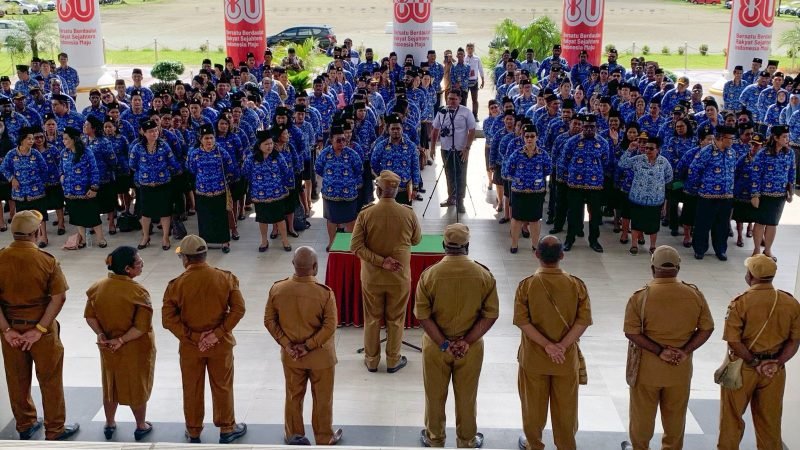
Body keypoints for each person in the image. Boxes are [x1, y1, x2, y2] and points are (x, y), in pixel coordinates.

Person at [620, 246, 714, 450]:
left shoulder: (641, 297)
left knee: (642, 417)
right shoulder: (694, 295)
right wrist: (685, 351)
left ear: (653, 268)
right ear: (678, 268)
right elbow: (707, 328)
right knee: (675, 419)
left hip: (647, 370)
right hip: (679, 369)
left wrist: (660, 351)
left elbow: (631, 332)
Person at [415, 223, 499, 448]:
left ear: (444, 245)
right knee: (467, 396)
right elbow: (491, 314)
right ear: (467, 246)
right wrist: (466, 341)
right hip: (470, 348)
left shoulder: (429, 275)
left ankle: (435, 438)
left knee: (434, 395)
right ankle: (466, 440)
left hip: (436, 346)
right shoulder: (483, 274)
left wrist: (444, 344)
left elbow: (422, 315)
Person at [0, 210, 80, 441]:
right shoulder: (46, 261)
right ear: (35, 233)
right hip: (42, 332)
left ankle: (25, 425)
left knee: (17, 380)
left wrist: (7, 330)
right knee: (50, 380)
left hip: (11, 331)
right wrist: (39, 329)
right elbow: (59, 298)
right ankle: (55, 430)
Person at [162, 235, 247, 444]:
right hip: (220, 345)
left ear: (185, 259)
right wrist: (217, 333)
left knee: (191, 388)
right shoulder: (225, 278)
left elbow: (168, 320)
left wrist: (194, 336)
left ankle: (193, 430)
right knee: (222, 386)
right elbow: (238, 309)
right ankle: (227, 428)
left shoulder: (176, 285)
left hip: (191, 348)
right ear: (205, 255)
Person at [514, 235, 592, 450]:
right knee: (566, 410)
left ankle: (534, 444)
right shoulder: (576, 285)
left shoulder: (527, 285)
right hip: (565, 360)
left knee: (532, 408)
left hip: (534, 359)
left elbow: (522, 321)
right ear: (562, 255)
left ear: (537, 254)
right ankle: (566, 445)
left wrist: (547, 346)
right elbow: (583, 321)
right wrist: (562, 346)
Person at [717, 254, 800, 450]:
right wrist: (777, 363)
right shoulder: (790, 303)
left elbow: (733, 340)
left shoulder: (741, 302)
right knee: (770, 423)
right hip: (773, 371)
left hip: (742, 369)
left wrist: (754, 362)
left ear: (751, 275)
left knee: (731, 419)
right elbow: (795, 340)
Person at [264, 246, 343, 446]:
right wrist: (308, 346)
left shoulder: (278, 289)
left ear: (293, 264)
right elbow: (329, 326)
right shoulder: (324, 294)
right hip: (321, 358)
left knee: (293, 396)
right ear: (315, 266)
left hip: (292, 357)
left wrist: (287, 344)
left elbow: (269, 321)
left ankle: (294, 435)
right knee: (323, 398)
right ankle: (324, 437)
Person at [350, 170, 422, 373]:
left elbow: (356, 247)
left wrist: (381, 262)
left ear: (378, 190)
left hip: (372, 278)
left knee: (372, 319)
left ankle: (372, 360)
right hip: (399, 278)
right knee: (396, 320)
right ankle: (393, 360)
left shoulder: (366, 214)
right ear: (397, 191)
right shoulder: (408, 213)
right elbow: (416, 240)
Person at [84, 246, 155, 441]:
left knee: (110, 384)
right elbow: (141, 327)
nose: (142, 264)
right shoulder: (137, 292)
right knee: (136, 385)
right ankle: (140, 425)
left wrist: (101, 334)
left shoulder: (97, 287)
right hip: (133, 348)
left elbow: (90, 316)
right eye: (138, 262)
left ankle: (109, 423)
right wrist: (121, 340)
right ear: (127, 269)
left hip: (107, 346)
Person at [560, 114, 610, 253]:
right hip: (575, 184)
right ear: (582, 126)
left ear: (596, 127)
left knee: (595, 215)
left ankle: (594, 240)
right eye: (586, 126)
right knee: (573, 213)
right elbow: (564, 160)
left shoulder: (603, 143)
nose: (589, 129)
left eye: (592, 127)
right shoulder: (572, 141)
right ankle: (569, 239)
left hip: (595, 185)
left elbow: (605, 162)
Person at [129, 119, 181, 251]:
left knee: (165, 211)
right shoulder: (137, 147)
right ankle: (146, 236)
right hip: (146, 185)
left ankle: (165, 237)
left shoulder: (164, 145)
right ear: (144, 133)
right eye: (151, 131)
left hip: (163, 184)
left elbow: (172, 162)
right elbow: (132, 165)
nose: (154, 133)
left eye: (156, 130)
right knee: (146, 213)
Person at [688, 125, 738, 261]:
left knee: (722, 226)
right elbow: (694, 170)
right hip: (707, 195)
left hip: (726, 196)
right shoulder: (706, 151)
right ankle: (700, 249)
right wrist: (697, 187)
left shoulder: (732, 153)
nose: (732, 141)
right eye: (730, 138)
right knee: (703, 224)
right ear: (721, 138)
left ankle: (720, 250)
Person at [618, 135, 673, 255]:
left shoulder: (664, 162)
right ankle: (634, 245)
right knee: (636, 223)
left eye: (651, 148)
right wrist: (629, 150)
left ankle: (652, 246)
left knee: (653, 225)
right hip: (638, 198)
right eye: (646, 148)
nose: (647, 150)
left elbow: (669, 177)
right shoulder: (638, 159)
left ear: (658, 149)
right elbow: (622, 164)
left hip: (655, 200)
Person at [187, 123, 236, 253]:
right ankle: (205, 242)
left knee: (221, 217)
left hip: (219, 190)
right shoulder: (195, 153)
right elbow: (191, 169)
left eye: (211, 138)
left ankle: (224, 242)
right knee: (204, 217)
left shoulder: (221, 151)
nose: (209, 141)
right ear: (200, 139)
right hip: (202, 191)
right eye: (206, 138)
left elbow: (230, 167)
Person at [503, 124, 552, 253]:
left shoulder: (543, 154)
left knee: (535, 219)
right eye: (527, 136)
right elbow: (509, 170)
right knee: (517, 219)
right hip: (519, 191)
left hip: (536, 192)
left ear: (537, 137)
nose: (529, 139)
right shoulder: (516, 154)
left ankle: (535, 245)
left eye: (532, 136)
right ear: (523, 138)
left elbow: (548, 170)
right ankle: (514, 244)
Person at [243, 131, 293, 252]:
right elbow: (245, 173)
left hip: (276, 194)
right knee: (262, 219)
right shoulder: (251, 158)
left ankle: (285, 240)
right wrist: (257, 184)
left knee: (279, 218)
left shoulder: (277, 156)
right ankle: (264, 241)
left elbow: (286, 171)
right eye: (266, 144)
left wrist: (281, 184)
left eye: (271, 143)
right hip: (260, 195)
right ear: (259, 145)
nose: (270, 146)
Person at [750, 125, 795, 261]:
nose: (787, 139)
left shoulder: (790, 153)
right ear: (775, 138)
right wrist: (755, 194)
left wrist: (791, 192)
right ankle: (757, 249)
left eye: (787, 136)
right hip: (764, 194)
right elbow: (755, 174)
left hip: (780, 195)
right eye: (784, 137)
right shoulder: (763, 153)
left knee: (773, 223)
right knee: (760, 222)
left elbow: (792, 173)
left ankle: (768, 249)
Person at [315, 125, 362, 251]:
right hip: (330, 194)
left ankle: (350, 244)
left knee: (350, 220)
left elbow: (359, 169)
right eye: (338, 140)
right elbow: (318, 168)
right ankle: (332, 243)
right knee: (331, 220)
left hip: (348, 195)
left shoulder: (352, 154)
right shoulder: (325, 154)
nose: (342, 143)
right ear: (331, 140)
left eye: (343, 140)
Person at [430, 89, 477, 214]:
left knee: (461, 175)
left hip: (461, 149)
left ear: (460, 99)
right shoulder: (442, 111)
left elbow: (472, 130)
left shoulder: (466, 112)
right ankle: (451, 198)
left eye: (454, 99)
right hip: (446, 148)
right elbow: (435, 130)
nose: (451, 101)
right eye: (449, 98)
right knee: (449, 174)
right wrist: (432, 147)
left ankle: (460, 201)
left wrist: (467, 148)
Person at [0, 126, 48, 247]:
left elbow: (44, 169)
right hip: (20, 192)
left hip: (36, 192)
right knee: (23, 217)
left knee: (40, 215)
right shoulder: (12, 154)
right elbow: (3, 168)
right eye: (29, 139)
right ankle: (26, 241)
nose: (32, 141)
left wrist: (39, 182)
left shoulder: (35, 153)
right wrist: (12, 179)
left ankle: (43, 237)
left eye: (32, 139)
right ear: (22, 140)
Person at [61, 126, 107, 248]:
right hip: (70, 191)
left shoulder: (87, 152)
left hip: (85, 190)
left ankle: (101, 238)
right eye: (63, 139)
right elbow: (61, 169)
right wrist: (62, 177)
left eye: (66, 139)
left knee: (92, 215)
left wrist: (94, 188)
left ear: (74, 139)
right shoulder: (64, 153)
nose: (64, 141)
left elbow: (94, 170)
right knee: (77, 216)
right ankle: (83, 239)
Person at [370, 114, 421, 205]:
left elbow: (415, 167)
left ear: (402, 129)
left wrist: (415, 187)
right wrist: (383, 176)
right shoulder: (381, 146)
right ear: (388, 130)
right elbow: (374, 163)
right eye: (393, 129)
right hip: (387, 191)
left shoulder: (411, 146)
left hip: (404, 190)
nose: (395, 131)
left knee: (404, 213)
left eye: (398, 128)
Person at [464, 43, 484, 120]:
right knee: (464, 99)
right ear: (466, 49)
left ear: (473, 49)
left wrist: (483, 80)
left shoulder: (477, 59)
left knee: (474, 100)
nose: (470, 50)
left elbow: (480, 69)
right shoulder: (464, 58)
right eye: (468, 49)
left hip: (474, 81)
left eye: (471, 48)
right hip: (465, 82)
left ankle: (475, 116)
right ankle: (464, 116)